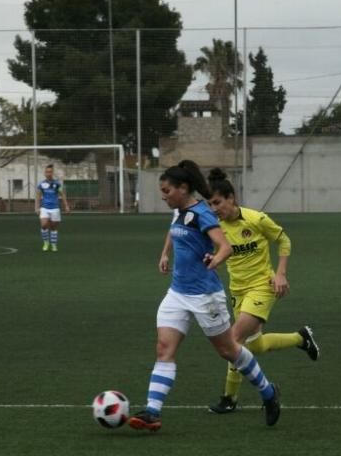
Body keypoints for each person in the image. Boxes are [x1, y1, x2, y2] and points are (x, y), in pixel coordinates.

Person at [128, 160, 281, 432]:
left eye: (166, 191)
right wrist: (165, 253)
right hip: (177, 293)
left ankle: (268, 392)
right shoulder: (178, 211)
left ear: (183, 188)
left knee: (228, 350)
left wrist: (215, 260)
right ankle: (153, 412)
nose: (163, 196)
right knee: (164, 348)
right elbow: (174, 230)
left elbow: (225, 247)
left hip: (205, 296)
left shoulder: (202, 213)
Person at [204, 168, 319, 414]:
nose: (214, 209)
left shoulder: (256, 219)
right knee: (252, 346)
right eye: (209, 204)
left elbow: (284, 240)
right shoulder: (215, 227)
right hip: (237, 291)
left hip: (262, 288)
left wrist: (280, 274)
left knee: (232, 341)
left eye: (217, 203)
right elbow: (220, 253)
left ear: (231, 198)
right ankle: (301, 338)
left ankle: (230, 398)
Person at [35, 164, 70, 252]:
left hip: (55, 208)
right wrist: (37, 207)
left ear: (52, 173)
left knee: (53, 227)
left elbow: (62, 195)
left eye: (50, 172)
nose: (48, 173)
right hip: (45, 208)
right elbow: (38, 196)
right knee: (43, 225)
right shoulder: (41, 184)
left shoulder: (57, 184)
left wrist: (66, 206)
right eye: (47, 172)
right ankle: (46, 243)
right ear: (44, 173)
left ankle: (53, 244)